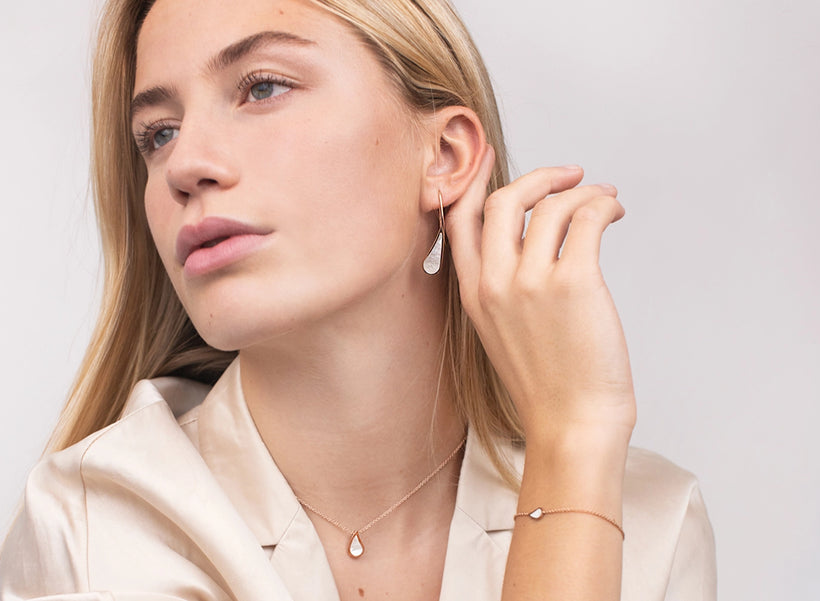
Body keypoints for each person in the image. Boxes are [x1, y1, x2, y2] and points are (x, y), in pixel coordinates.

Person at [0, 0, 715, 599]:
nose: (184, 165)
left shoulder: (649, 526)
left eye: (262, 88)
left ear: (444, 156)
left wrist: (575, 444)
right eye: (158, 134)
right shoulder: (93, 529)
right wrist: (572, 437)